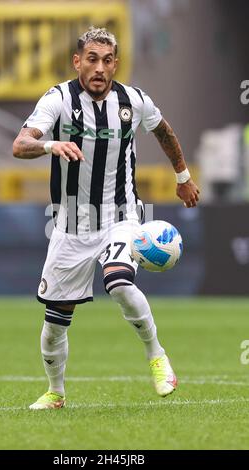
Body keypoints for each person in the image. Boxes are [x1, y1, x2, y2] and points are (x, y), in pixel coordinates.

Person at [13, 27, 200, 410]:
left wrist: (182, 177)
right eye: (92, 59)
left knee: (118, 281)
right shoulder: (58, 99)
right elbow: (20, 144)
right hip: (69, 227)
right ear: (77, 61)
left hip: (122, 215)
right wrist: (51, 143)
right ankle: (56, 393)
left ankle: (157, 357)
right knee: (54, 324)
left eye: (108, 60)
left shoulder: (134, 100)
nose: (100, 68)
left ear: (116, 63)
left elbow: (163, 131)